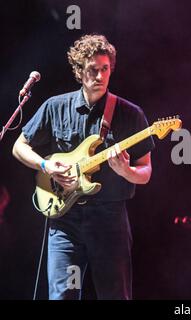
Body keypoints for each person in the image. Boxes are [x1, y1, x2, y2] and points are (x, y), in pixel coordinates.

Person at [12, 34, 155, 299]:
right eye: (92, 70)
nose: (100, 76)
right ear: (79, 71)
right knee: (62, 295)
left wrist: (126, 171)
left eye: (105, 69)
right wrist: (45, 165)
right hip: (65, 221)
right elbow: (19, 146)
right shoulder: (55, 107)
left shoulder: (130, 114)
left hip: (109, 221)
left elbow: (145, 171)